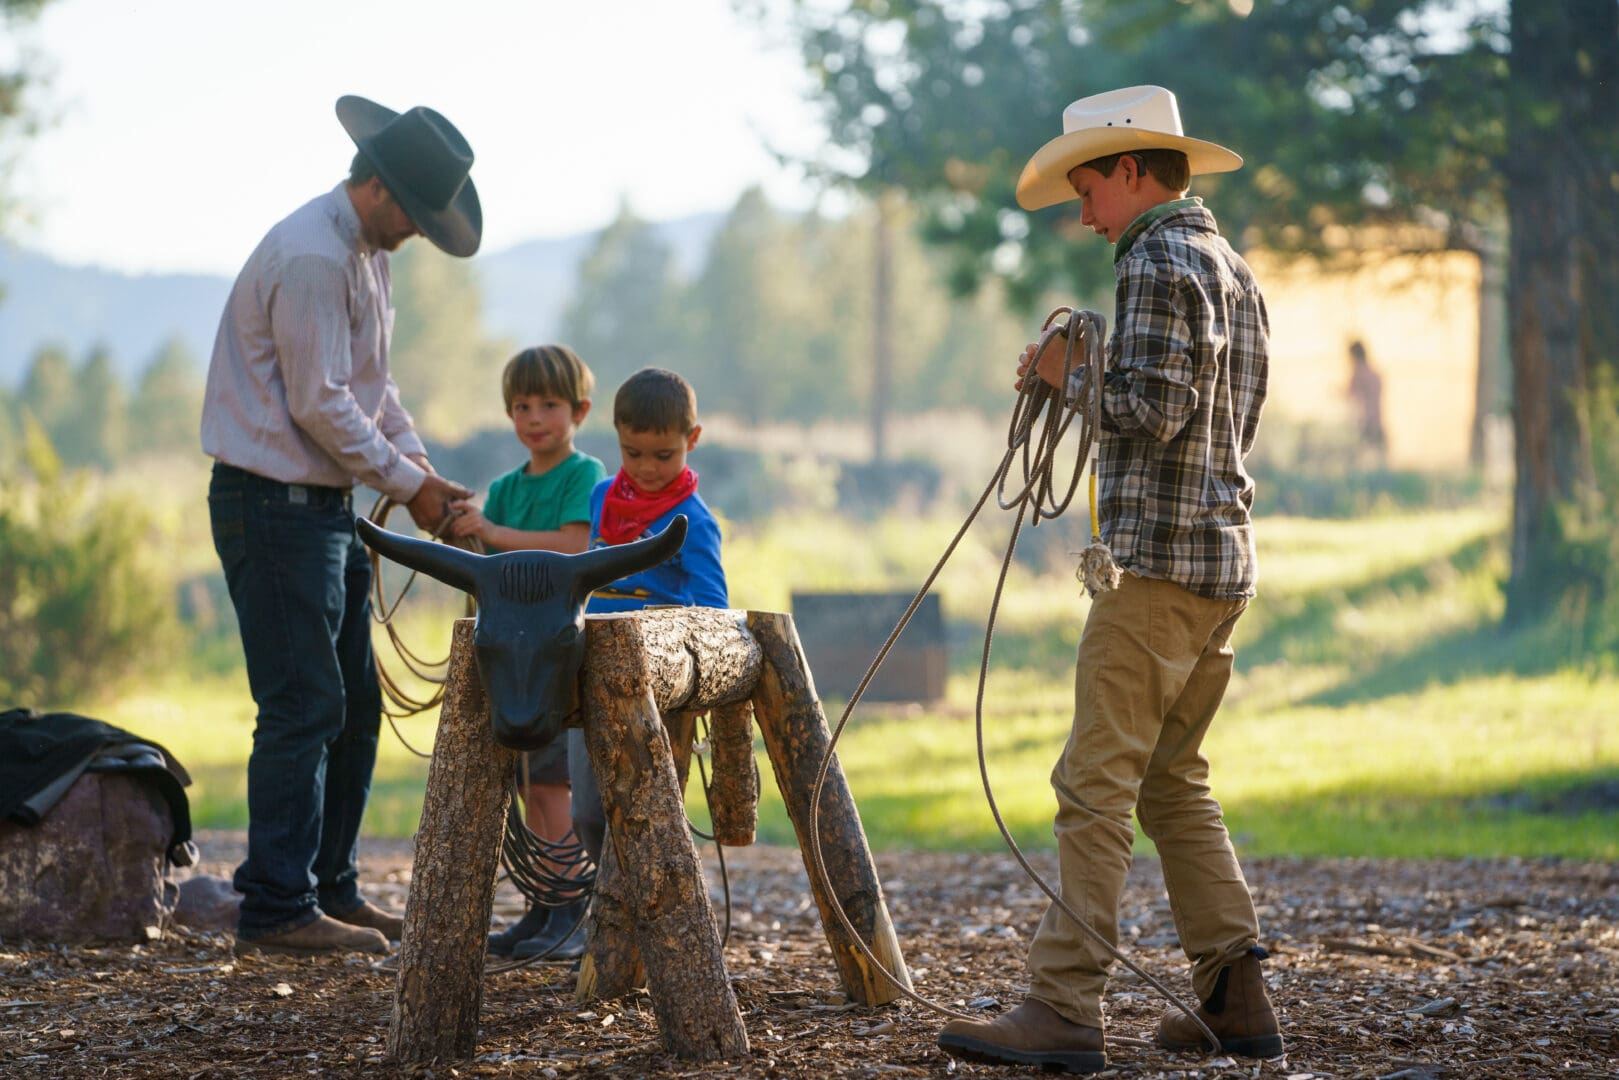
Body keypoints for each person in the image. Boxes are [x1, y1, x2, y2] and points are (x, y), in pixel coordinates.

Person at [936, 85, 1282, 1072]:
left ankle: (1061, 1006)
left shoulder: (1154, 258)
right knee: (1171, 780)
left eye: (1087, 188)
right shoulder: (1231, 268)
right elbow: (1214, 415)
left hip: (1156, 572)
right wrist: (1088, 355)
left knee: (1093, 784)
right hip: (1219, 563)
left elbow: (1153, 408)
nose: (1083, 215)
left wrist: (1063, 375)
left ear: (1131, 171)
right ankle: (1234, 992)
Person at [201, 95, 480, 956]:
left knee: (353, 704)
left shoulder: (360, 254)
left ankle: (328, 889)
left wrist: (422, 473)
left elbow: (371, 386)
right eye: (418, 219)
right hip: (273, 505)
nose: (418, 235)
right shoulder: (317, 258)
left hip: (317, 509)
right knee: (304, 704)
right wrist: (412, 486)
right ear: (384, 194)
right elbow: (320, 404)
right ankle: (276, 906)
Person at [514, 366, 729, 961]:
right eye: (633, 452)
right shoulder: (603, 497)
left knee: (650, 811)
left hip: (654, 684)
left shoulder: (694, 521)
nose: (648, 467)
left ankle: (660, 925)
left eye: (664, 454)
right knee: (589, 810)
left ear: (693, 438)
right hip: (593, 673)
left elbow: (710, 604)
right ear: (616, 438)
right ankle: (616, 910)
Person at [446, 344, 606, 957]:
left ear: (579, 410)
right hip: (511, 661)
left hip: (556, 661)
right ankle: (543, 907)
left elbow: (572, 546)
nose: (534, 417)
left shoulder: (583, 477)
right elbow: (491, 564)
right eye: (521, 406)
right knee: (526, 780)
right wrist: (467, 530)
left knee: (552, 781)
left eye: (548, 404)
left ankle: (569, 908)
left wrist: (487, 531)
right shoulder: (507, 488)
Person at [1346, 339, 1387, 465]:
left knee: (1356, 460)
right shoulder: (1375, 373)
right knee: (1381, 460)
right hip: (1378, 421)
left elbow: (1350, 394)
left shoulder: (1358, 374)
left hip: (1364, 424)